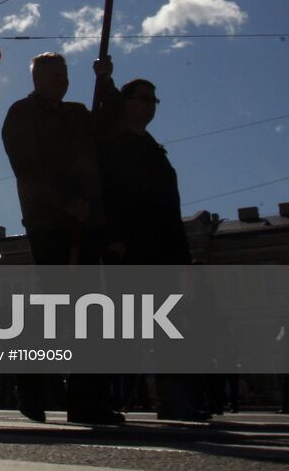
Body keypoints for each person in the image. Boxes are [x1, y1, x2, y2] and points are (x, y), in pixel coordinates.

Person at [1, 51, 124, 426]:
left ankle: (86, 401)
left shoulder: (77, 114)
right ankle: (31, 386)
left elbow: (112, 129)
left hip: (86, 222)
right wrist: (64, 202)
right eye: (54, 74)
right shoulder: (23, 113)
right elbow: (26, 168)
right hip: (51, 223)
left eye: (65, 74)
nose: (61, 80)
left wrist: (106, 82)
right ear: (36, 78)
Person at [100, 78, 206, 422]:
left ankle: (175, 399)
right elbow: (107, 195)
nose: (149, 105)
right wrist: (115, 238)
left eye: (153, 100)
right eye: (142, 98)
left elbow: (170, 208)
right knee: (126, 329)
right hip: (131, 249)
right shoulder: (114, 146)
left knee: (169, 326)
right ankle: (108, 396)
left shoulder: (154, 149)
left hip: (163, 249)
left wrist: (183, 255)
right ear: (125, 102)